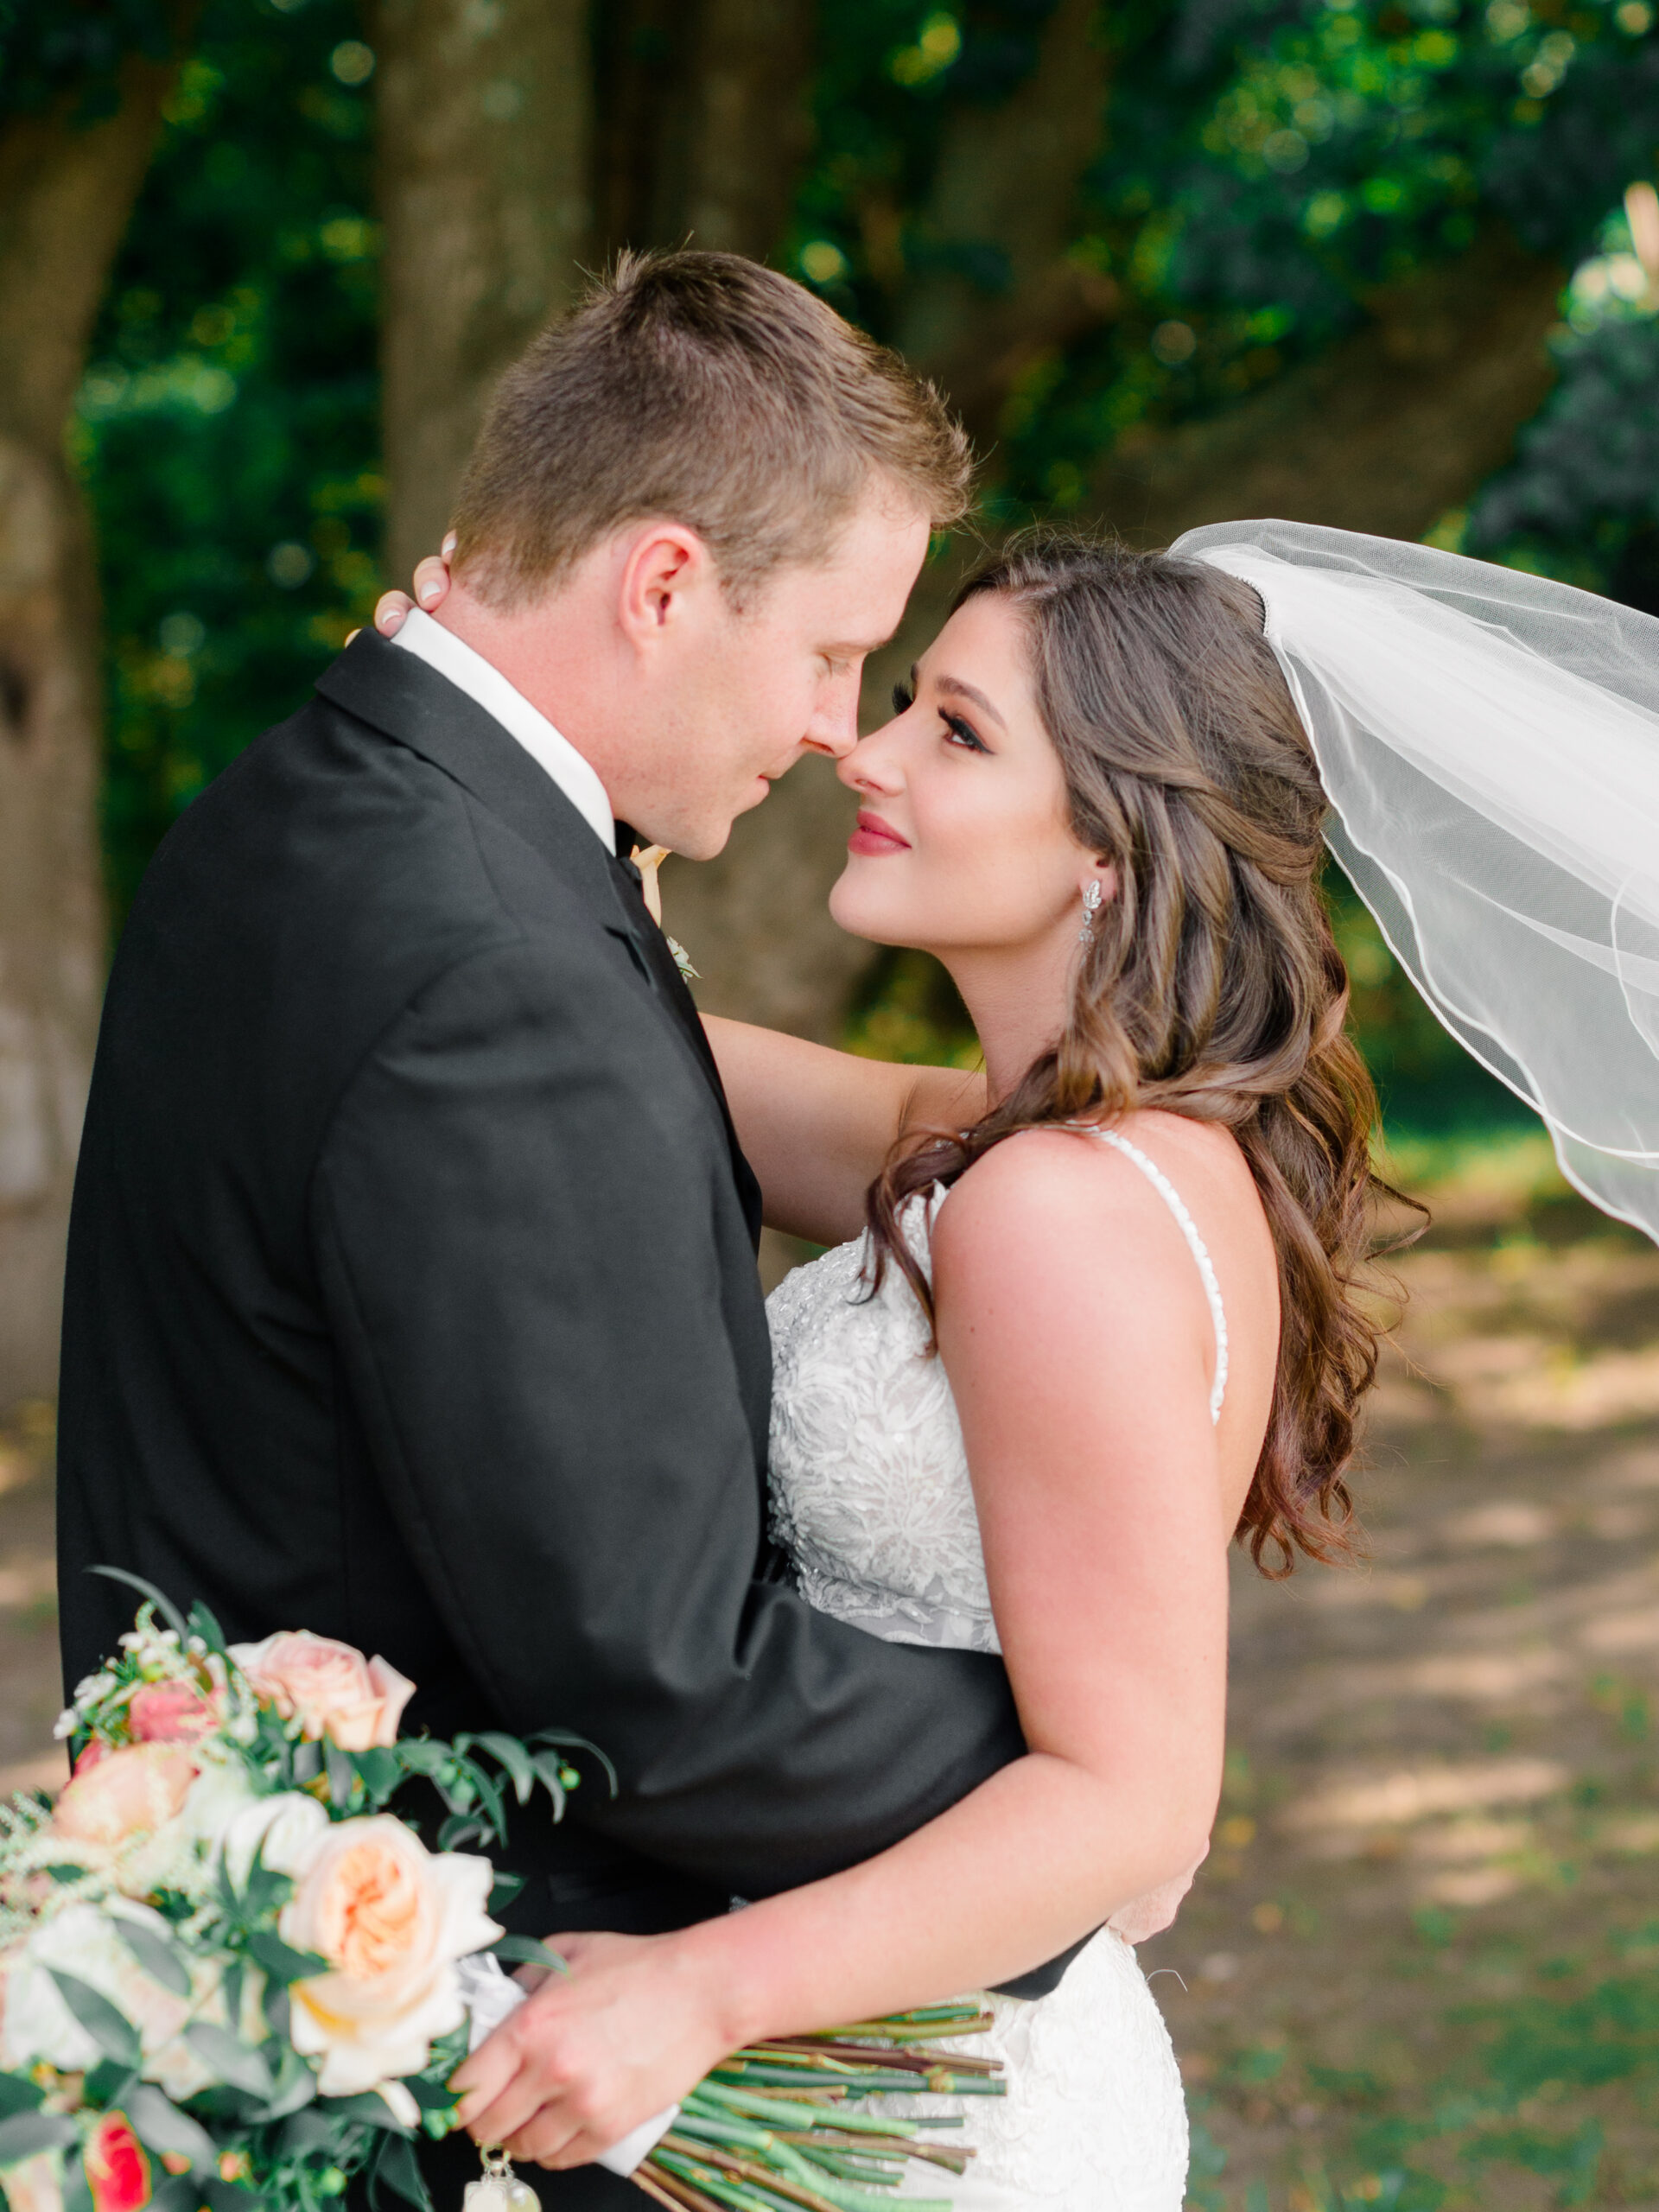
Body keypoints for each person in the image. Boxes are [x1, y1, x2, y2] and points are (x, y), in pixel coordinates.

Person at [386, 512, 1659, 2207]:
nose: (870, 744)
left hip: (933, 2104)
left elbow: (1139, 1804)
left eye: (958, 732)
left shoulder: (1054, 1206)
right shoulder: (1051, 1140)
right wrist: (510, 735)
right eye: (907, 695)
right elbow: (640, 1056)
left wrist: (695, 1990)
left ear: (1106, 856)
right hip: (913, 2031)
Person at [54, 254, 1125, 2212]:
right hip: (487, 2077)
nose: (831, 728)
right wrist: (1077, 1793)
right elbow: (659, 1673)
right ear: (657, 585)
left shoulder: (297, 810)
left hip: (250, 1991)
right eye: (826, 652)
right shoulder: (491, 962)